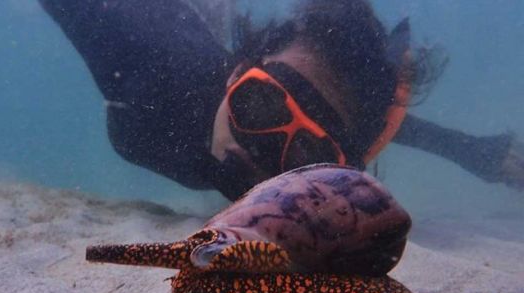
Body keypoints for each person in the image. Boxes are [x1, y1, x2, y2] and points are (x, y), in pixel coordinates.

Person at [38, 0, 524, 200]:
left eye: (308, 156)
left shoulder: (349, 139)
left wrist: (487, 156)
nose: (260, 157)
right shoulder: (146, 54)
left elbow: (396, 129)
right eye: (263, 106)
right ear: (237, 75)